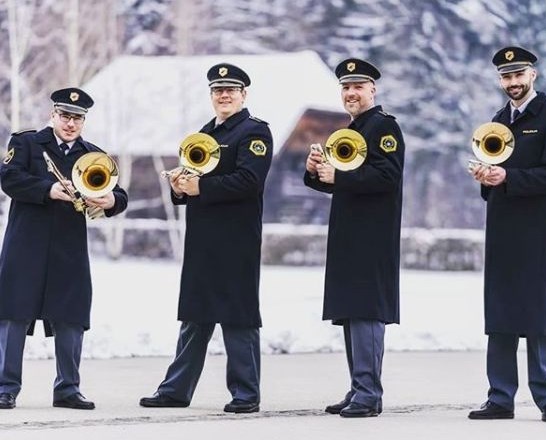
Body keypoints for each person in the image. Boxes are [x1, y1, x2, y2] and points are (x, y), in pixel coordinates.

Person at [139, 63, 273, 413]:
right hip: (202, 240)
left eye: (230, 90)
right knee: (195, 316)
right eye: (217, 90)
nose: (223, 95)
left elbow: (249, 181)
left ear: (244, 95)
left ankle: (246, 393)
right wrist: (180, 189)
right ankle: (176, 390)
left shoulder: (254, 133)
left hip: (236, 240)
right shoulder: (203, 134)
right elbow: (193, 181)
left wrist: (201, 186)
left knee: (238, 316)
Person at [0, 88, 128, 410]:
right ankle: (5, 388)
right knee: (12, 315)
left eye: (78, 118)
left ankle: (68, 389)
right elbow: (9, 179)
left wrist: (111, 201)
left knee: (71, 316)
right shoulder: (26, 143)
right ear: (53, 115)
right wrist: (49, 189)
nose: (71, 123)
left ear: (84, 121)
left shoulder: (93, 155)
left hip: (68, 249)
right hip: (26, 245)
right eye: (65, 116)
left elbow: (120, 194)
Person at [468, 46, 546, 423]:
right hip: (502, 229)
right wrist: (486, 178)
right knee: (500, 312)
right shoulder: (496, 121)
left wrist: (507, 177)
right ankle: (500, 397)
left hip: (539, 231)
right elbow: (494, 177)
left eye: (518, 75)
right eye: (506, 77)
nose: (512, 82)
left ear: (533, 75)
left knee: (539, 313)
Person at [304, 58, 405, 418]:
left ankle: (369, 392)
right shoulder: (348, 130)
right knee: (350, 313)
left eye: (358, 87)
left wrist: (340, 177)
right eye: (346, 88)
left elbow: (387, 176)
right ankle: (359, 387)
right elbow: (337, 181)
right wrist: (315, 172)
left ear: (372, 90)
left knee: (366, 313)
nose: (351, 93)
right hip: (348, 233)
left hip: (372, 236)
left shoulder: (384, 127)